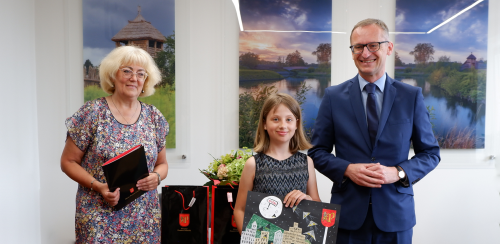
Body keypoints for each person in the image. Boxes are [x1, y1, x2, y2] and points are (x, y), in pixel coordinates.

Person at [308, 18, 440, 244]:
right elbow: (317, 152)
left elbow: (430, 154)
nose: (365, 53)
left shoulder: (411, 96)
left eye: (373, 45)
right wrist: (347, 169)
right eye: (358, 46)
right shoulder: (332, 97)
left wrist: (397, 172)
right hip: (347, 215)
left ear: (388, 48)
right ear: (352, 52)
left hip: (396, 216)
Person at [61, 45, 169, 243]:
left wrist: (157, 176)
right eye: (126, 71)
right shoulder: (92, 113)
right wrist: (100, 186)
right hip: (98, 215)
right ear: (113, 75)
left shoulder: (154, 117)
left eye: (140, 74)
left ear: (145, 80)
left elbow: (162, 164)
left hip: (144, 218)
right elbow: (68, 162)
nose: (133, 78)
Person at [234, 93, 321, 233]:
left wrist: (307, 198)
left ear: (296, 124)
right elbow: (240, 209)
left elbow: (317, 205)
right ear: (264, 124)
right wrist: (250, 239)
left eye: (289, 119)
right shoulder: (253, 164)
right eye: (275, 119)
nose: (283, 125)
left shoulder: (307, 162)